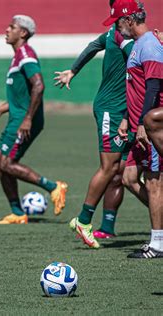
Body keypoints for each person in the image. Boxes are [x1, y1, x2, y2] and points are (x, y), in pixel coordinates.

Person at [54, 0, 134, 247]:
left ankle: (108, 227)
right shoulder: (122, 36)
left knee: (122, 173)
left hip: (127, 110)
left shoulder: (122, 34)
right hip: (112, 110)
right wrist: (73, 70)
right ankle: (84, 220)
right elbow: (136, 70)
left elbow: (91, 47)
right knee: (110, 167)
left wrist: (73, 71)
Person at [0, 15, 68, 225]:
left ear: (23, 33)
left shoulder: (26, 54)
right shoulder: (18, 56)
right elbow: (21, 96)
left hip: (23, 121)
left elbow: (39, 85)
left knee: (6, 163)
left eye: (12, 27)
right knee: (0, 164)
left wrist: (28, 118)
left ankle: (54, 187)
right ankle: (18, 213)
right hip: (16, 118)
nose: (7, 29)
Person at [110, 0, 163, 258]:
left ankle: (157, 244)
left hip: (151, 128)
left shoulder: (149, 43)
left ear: (129, 19)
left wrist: (143, 123)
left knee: (154, 183)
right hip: (137, 127)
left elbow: (153, 85)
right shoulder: (139, 45)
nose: (119, 30)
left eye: (119, 23)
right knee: (129, 177)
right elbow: (135, 87)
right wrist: (126, 119)